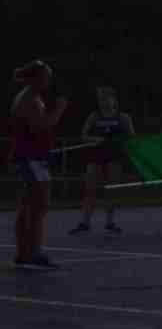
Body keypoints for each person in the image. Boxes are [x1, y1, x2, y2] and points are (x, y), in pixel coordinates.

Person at [12, 60, 68, 269]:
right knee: (39, 205)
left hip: (32, 157)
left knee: (28, 205)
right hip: (31, 158)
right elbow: (41, 125)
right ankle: (34, 252)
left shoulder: (31, 97)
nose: (49, 81)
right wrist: (60, 109)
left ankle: (24, 252)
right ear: (36, 78)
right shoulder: (29, 99)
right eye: (46, 77)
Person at [71, 85, 134, 235]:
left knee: (111, 190)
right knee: (90, 189)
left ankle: (110, 222)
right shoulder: (94, 116)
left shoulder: (123, 117)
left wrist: (120, 139)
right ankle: (84, 222)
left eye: (106, 98)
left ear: (114, 99)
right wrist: (94, 139)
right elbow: (83, 135)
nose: (103, 102)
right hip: (96, 156)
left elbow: (132, 137)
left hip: (114, 156)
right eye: (100, 99)